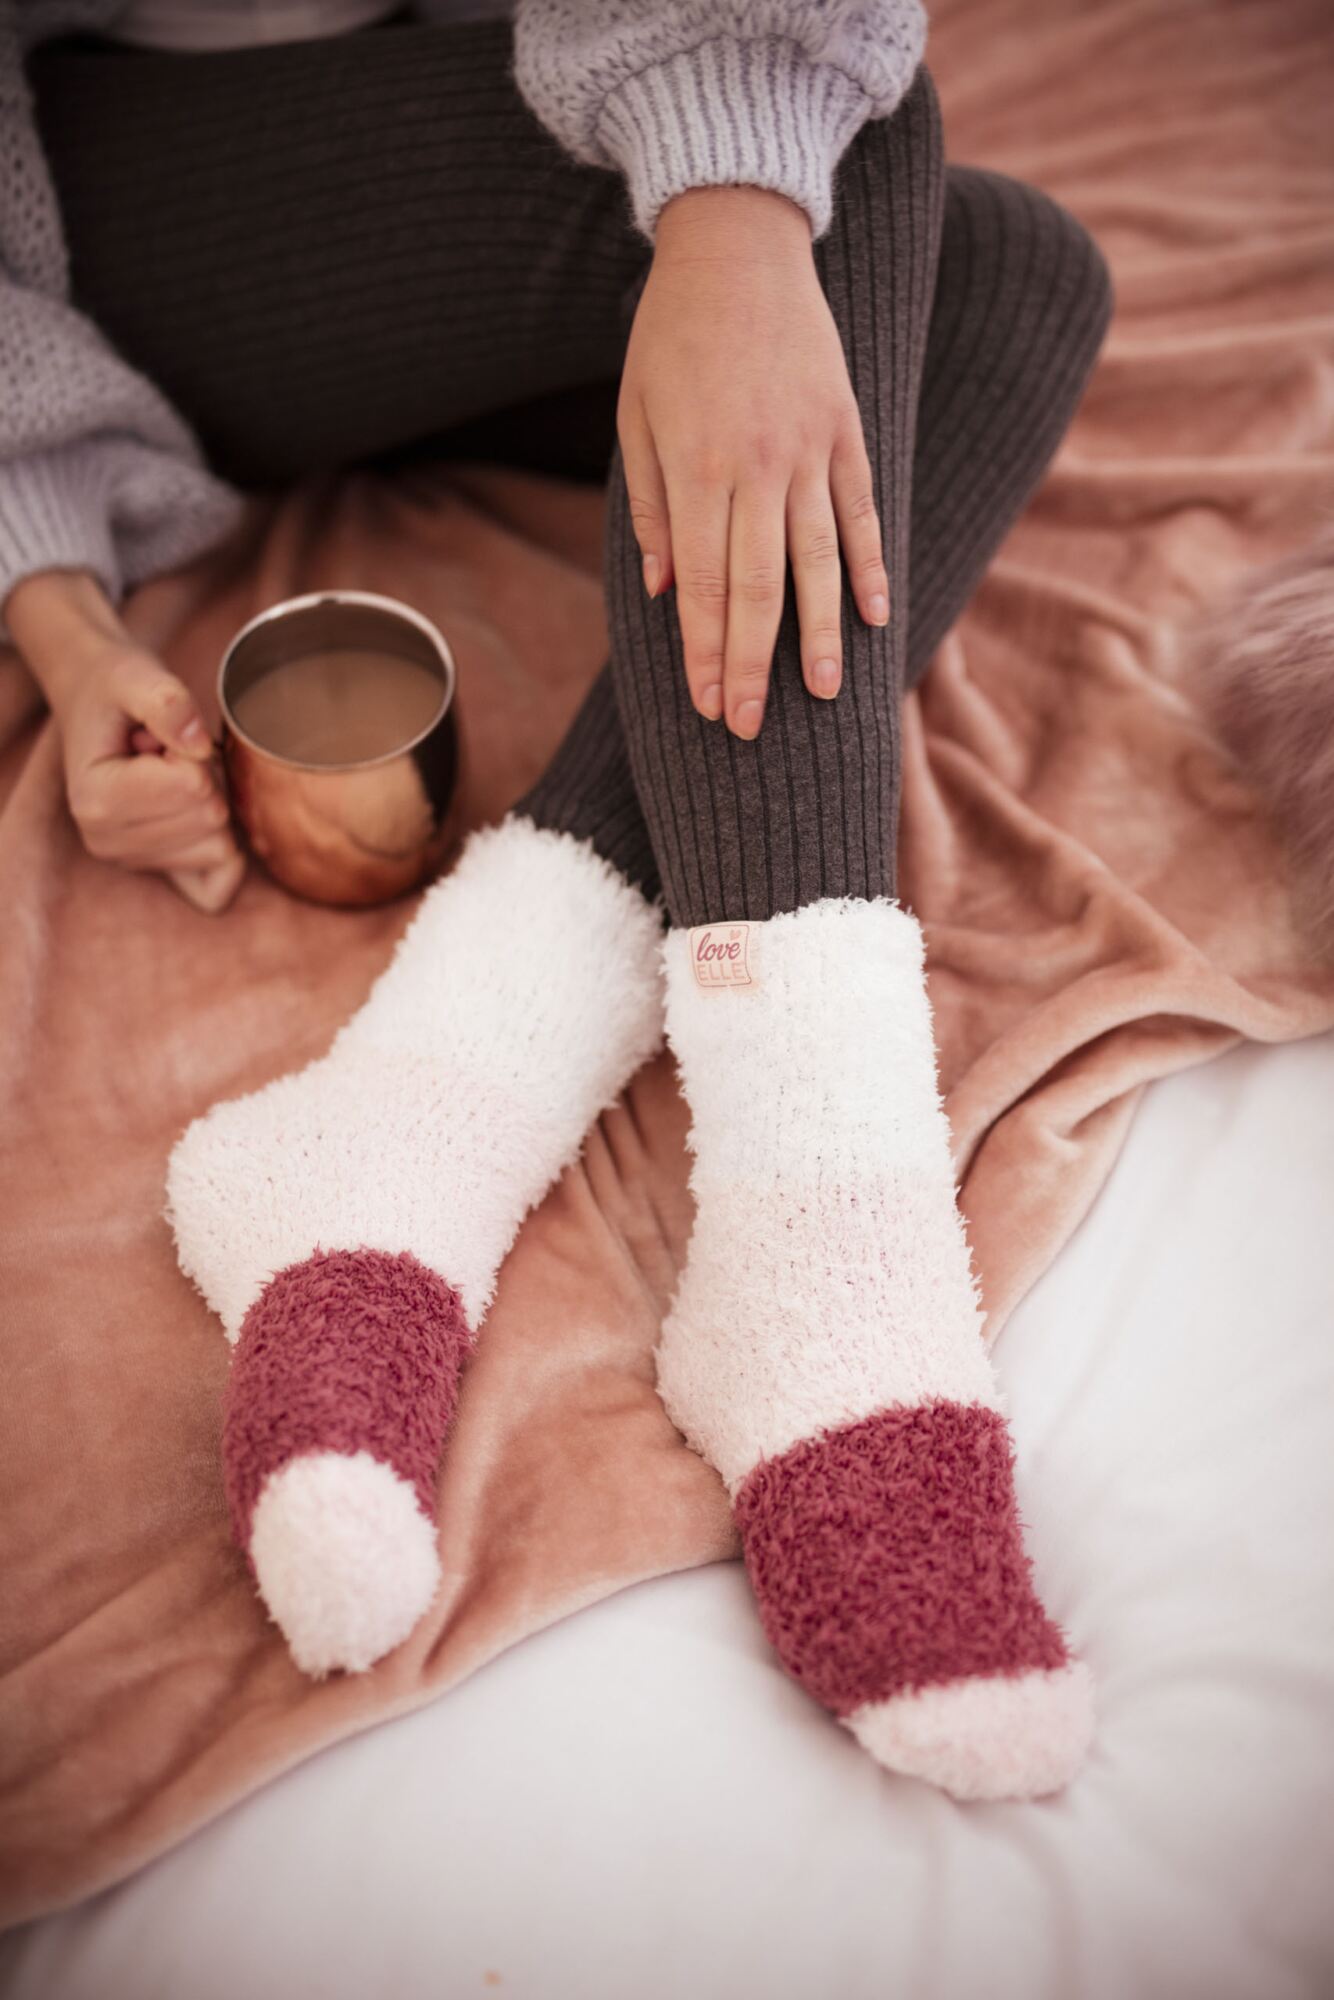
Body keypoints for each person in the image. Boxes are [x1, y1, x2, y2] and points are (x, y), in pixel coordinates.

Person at [4, 0, 1113, 1799]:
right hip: (98, 224)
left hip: (489, 79)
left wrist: (726, 204)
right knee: (823, 136)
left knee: (1007, 272)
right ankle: (822, 1214)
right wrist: (47, 589)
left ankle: (420, 1104)